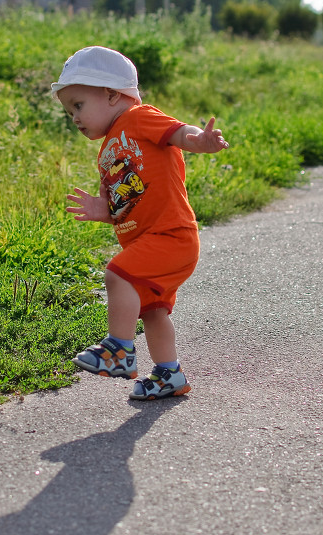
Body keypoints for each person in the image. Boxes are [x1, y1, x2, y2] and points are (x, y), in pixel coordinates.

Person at [52, 46, 229, 400]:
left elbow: (179, 132)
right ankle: (169, 375)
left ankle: (119, 350)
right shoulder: (107, 153)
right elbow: (121, 204)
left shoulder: (139, 118)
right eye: (69, 109)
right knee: (152, 311)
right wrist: (103, 210)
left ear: (112, 94)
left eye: (78, 105)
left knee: (117, 274)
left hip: (170, 235)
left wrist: (199, 141)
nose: (74, 116)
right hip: (149, 242)